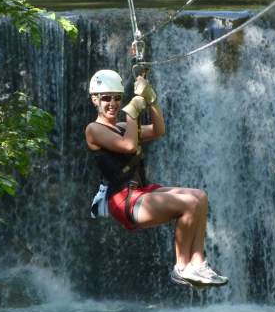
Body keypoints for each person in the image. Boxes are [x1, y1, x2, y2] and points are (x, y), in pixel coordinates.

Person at [85, 68, 228, 287]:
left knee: (200, 196)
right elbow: (129, 145)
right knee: (189, 204)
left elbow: (159, 130)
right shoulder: (93, 129)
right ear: (95, 99)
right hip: (123, 200)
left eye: (117, 98)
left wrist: (151, 100)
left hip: (141, 191)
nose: (112, 103)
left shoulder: (122, 127)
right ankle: (181, 267)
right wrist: (132, 111)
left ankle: (197, 262)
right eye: (106, 98)